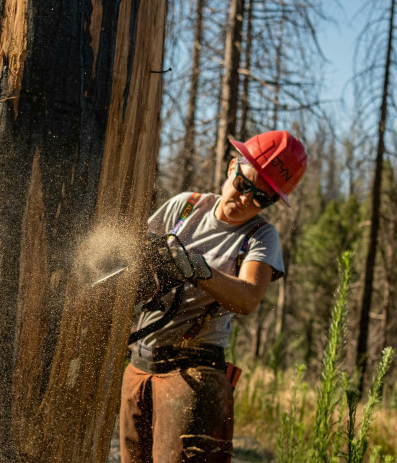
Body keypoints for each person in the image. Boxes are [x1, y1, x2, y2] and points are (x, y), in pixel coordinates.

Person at [119, 130, 308, 462]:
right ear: (232, 167)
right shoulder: (185, 207)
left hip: (194, 371)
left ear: (273, 203)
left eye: (261, 197)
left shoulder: (261, 237)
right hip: (140, 364)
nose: (246, 198)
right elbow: (133, 256)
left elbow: (248, 298)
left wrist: (198, 269)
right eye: (244, 184)